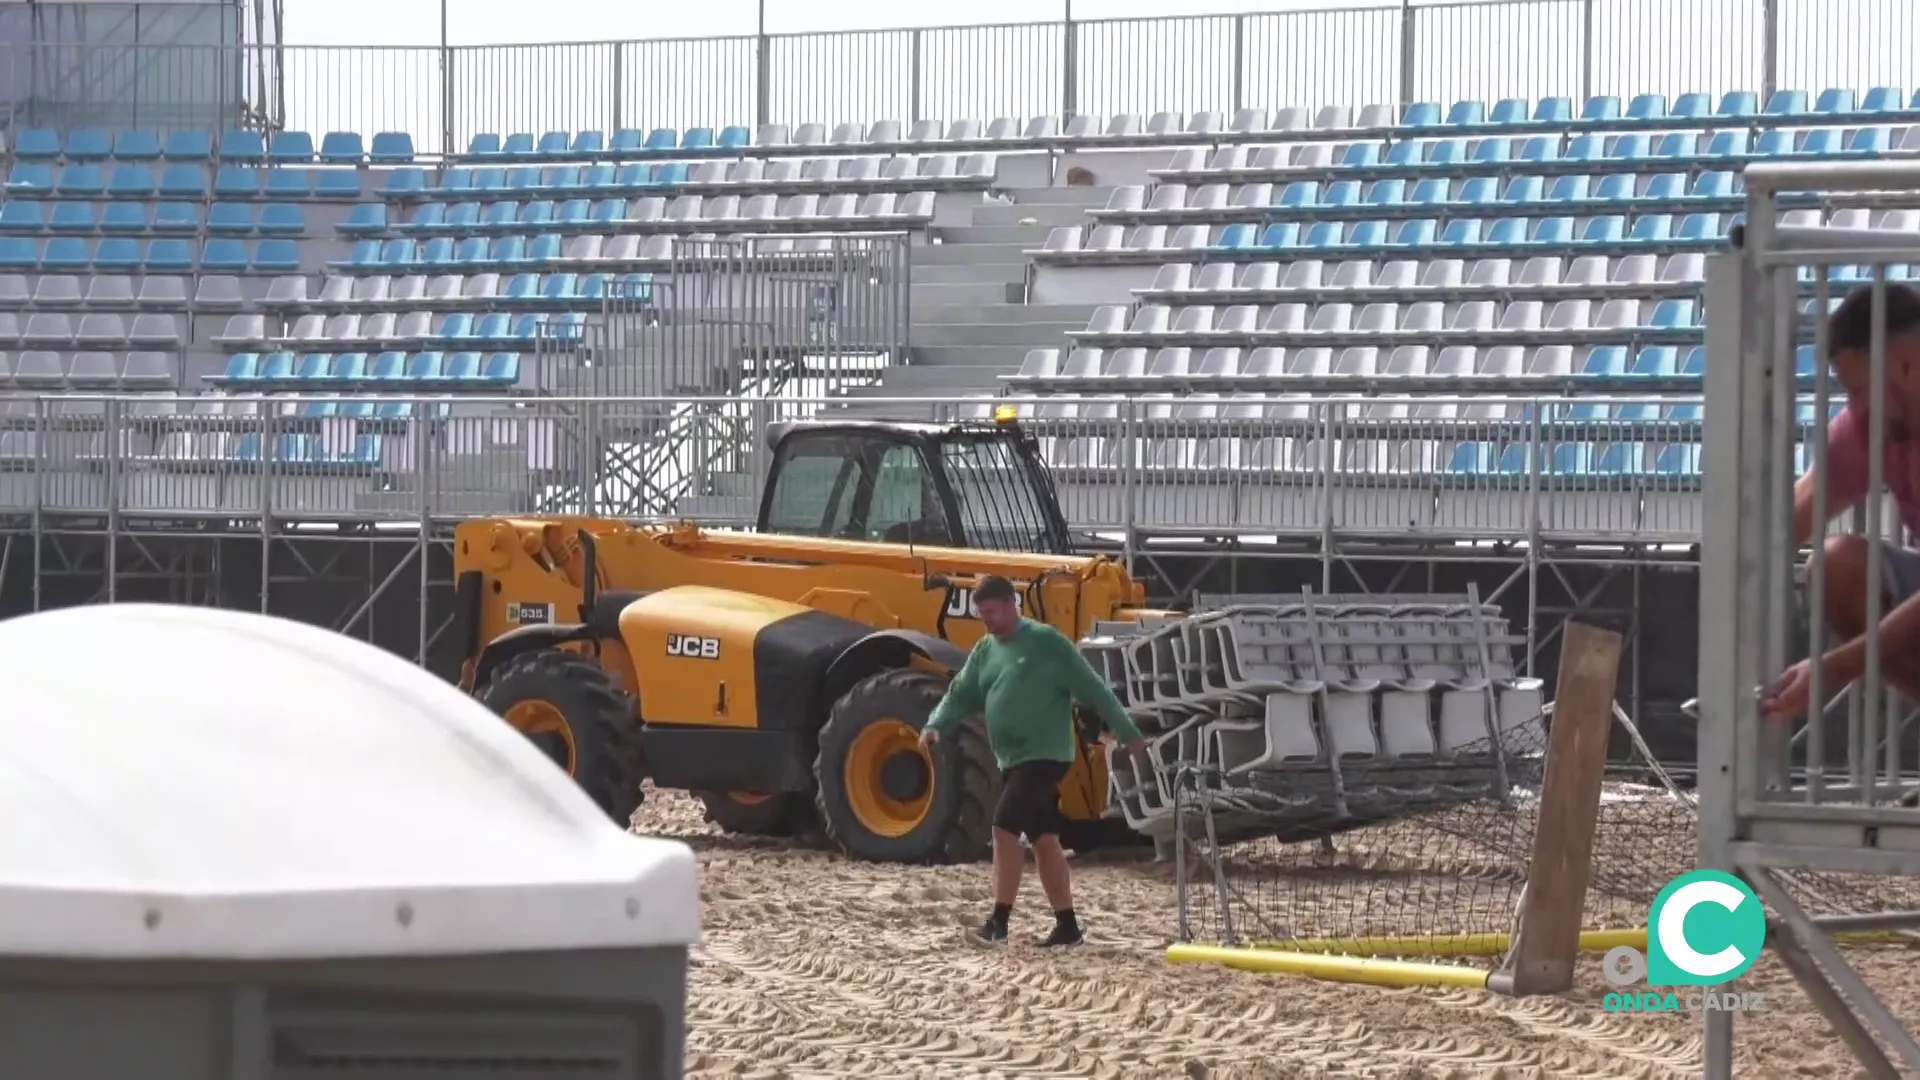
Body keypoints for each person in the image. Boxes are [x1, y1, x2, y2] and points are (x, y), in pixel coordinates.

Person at [919, 574, 1147, 947]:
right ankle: (1067, 925)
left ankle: (997, 924)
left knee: (1003, 828)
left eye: (991, 611)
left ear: (1011, 605)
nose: (986, 620)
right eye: (982, 614)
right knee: (1044, 839)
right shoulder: (985, 649)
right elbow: (960, 692)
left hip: (1045, 755)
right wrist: (934, 723)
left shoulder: (1046, 642)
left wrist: (1128, 732)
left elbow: (1093, 689)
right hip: (1011, 759)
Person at [1765, 281, 1920, 719]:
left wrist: (1831, 668)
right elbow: (1780, 530)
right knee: (1834, 567)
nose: (1854, 407)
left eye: (1858, 390)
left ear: (1906, 367)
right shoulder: (1868, 427)